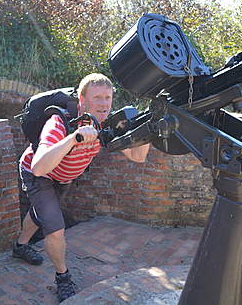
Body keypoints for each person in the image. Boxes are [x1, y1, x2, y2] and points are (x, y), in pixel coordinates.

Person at [14, 73, 150, 302]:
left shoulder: (107, 124)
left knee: (42, 214)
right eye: (97, 97)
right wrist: (74, 138)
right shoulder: (59, 122)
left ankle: (20, 246)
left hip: (63, 177)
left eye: (107, 98)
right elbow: (38, 167)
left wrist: (145, 131)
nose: (104, 104)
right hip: (39, 174)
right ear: (82, 100)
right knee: (55, 226)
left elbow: (137, 157)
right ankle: (63, 278)